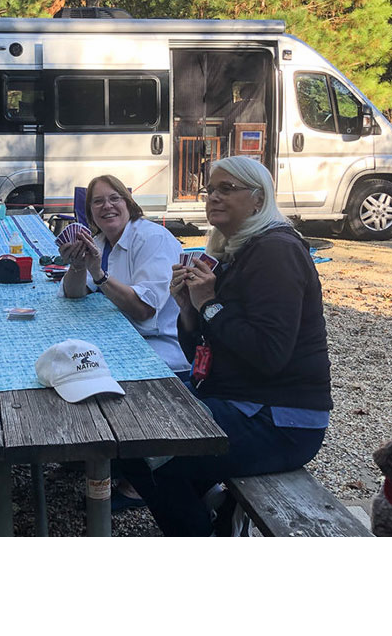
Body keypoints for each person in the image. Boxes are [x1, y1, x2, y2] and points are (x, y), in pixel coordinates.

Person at [119, 155, 333, 536]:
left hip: (281, 419)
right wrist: (188, 308)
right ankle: (214, 511)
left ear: (258, 199)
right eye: (210, 189)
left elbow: (269, 355)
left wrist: (210, 305)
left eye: (227, 189)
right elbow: (201, 353)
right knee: (137, 417)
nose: (213, 197)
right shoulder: (234, 249)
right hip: (239, 400)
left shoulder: (276, 252)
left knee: (146, 453)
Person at [58, 175, 191, 511]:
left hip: (162, 347)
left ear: (129, 204)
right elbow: (72, 294)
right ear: (89, 212)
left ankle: (134, 478)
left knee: (84, 373)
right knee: (65, 363)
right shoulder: (101, 242)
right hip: (127, 339)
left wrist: (99, 276)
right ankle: (100, 454)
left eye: (114, 198)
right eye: (98, 201)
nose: (107, 206)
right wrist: (78, 265)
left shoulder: (152, 239)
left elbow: (145, 310)